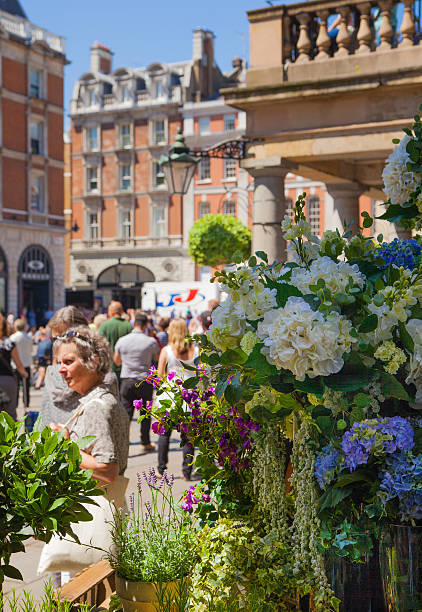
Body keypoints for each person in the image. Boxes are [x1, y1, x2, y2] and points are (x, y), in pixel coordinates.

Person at [42, 326, 129, 585]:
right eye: (59, 363)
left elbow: (107, 469)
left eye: (68, 361)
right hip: (98, 515)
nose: (61, 369)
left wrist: (64, 447)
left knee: (80, 594)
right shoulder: (100, 400)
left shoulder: (96, 406)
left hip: (88, 520)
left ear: (94, 362)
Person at [40, 306, 118, 428]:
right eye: (55, 339)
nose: (60, 345)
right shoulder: (52, 374)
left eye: (67, 337)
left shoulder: (105, 378)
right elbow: (44, 419)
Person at [156, 318, 199, 480]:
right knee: (188, 436)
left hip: (169, 395)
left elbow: (160, 376)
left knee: (164, 434)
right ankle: (187, 472)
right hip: (189, 396)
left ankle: (162, 469)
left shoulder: (166, 350)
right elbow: (199, 373)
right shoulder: (195, 351)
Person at [113, 312, 160, 453]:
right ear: (146, 325)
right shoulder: (150, 341)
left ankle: (123, 442)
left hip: (127, 379)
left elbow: (116, 361)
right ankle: (145, 442)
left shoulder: (122, 340)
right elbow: (157, 358)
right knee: (145, 413)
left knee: (126, 413)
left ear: (133, 324)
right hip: (144, 380)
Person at [0, 312, 28, 418]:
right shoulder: (9, 343)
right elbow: (18, 364)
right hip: (7, 380)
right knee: (9, 414)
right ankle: (11, 434)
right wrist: (24, 373)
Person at [99, 301, 132, 381]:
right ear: (121, 311)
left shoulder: (104, 325)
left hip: (109, 367)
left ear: (110, 311)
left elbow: (98, 345)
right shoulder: (128, 326)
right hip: (126, 367)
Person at [10, 318, 33, 409]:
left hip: (15, 365)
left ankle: (15, 403)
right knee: (26, 387)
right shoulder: (28, 337)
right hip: (26, 363)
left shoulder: (13, 337)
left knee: (15, 387)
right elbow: (31, 350)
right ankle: (26, 402)